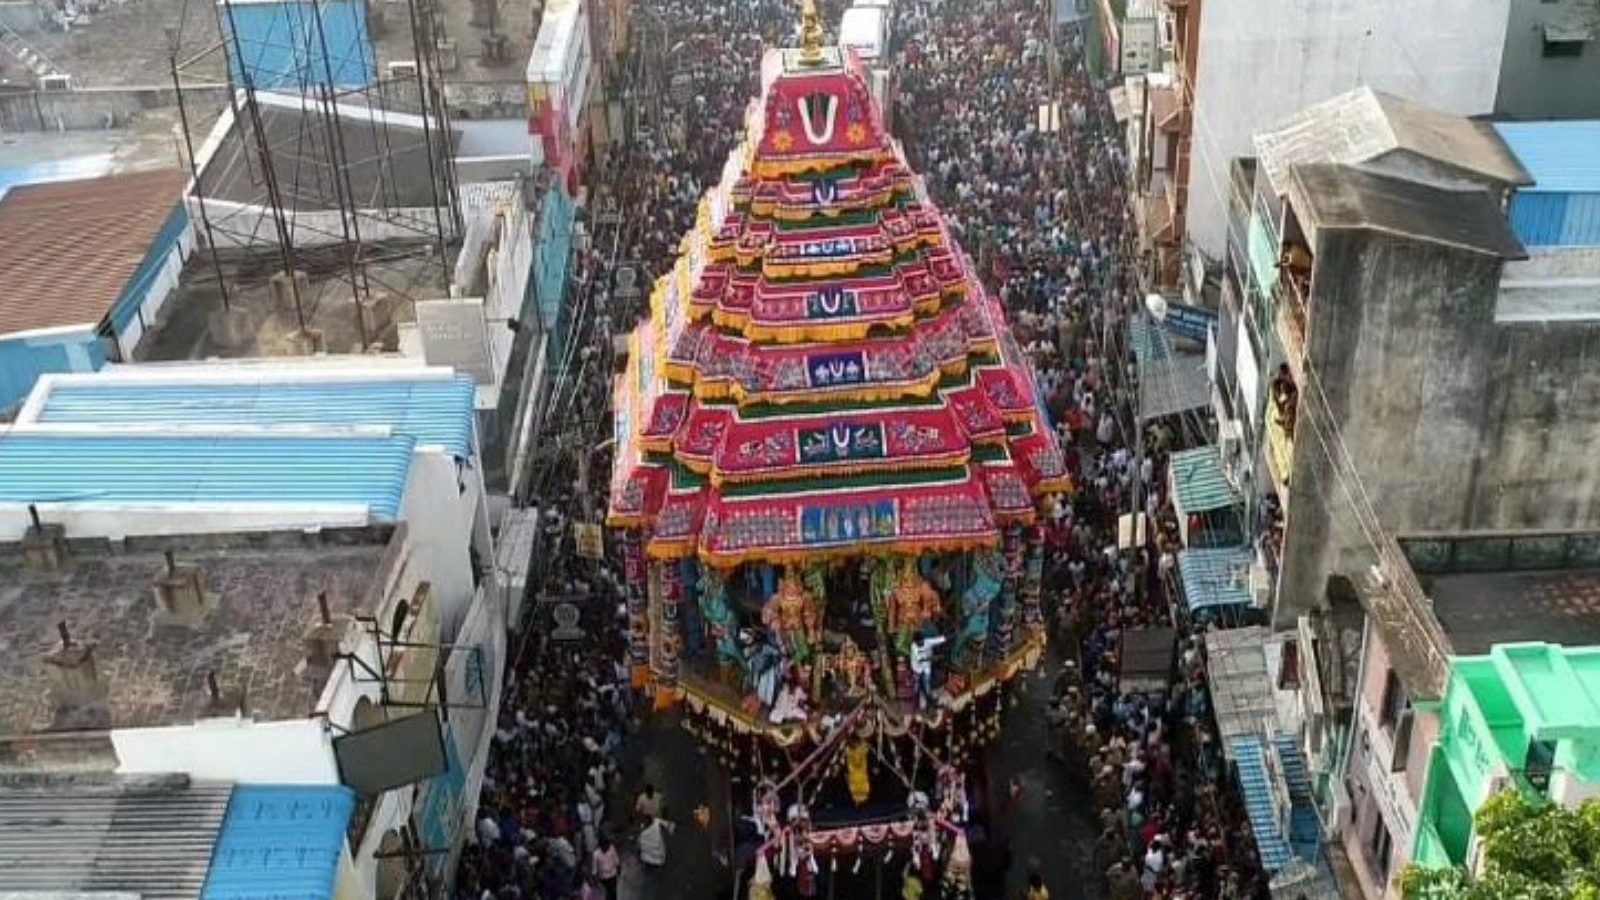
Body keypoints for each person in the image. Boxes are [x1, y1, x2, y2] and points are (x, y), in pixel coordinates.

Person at [591, 834, 621, 900]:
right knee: (608, 893)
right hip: (604, 878)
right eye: (604, 845)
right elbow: (594, 869)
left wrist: (619, 872)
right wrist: (596, 881)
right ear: (601, 845)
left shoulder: (612, 848)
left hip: (613, 875)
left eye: (607, 845)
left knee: (614, 892)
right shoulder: (596, 854)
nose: (606, 847)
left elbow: (616, 860)